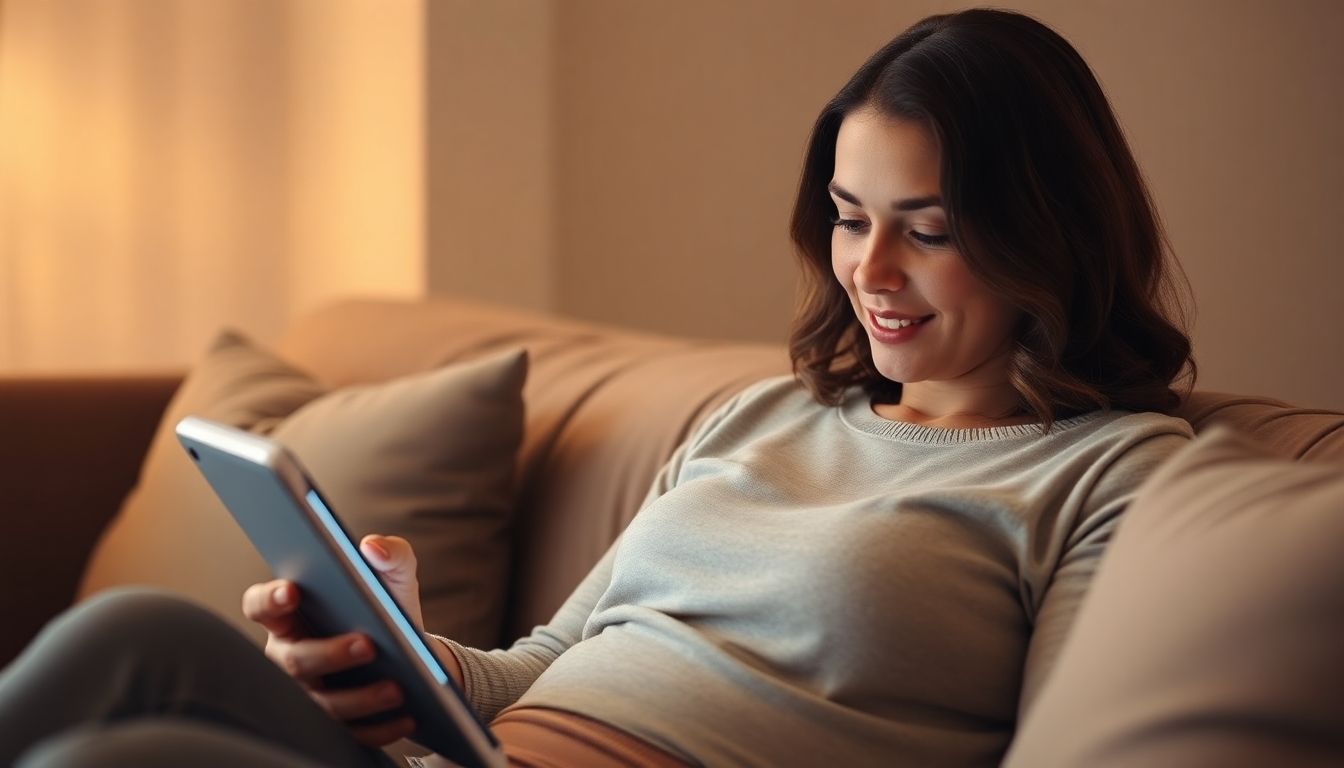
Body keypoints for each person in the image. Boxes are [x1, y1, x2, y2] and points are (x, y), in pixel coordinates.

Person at [0, 8, 1198, 767]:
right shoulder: (768, 413)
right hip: (476, 756)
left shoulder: (1107, 475)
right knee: (131, 633)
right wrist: (409, 656)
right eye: (846, 219)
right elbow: (553, 657)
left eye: (925, 230)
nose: (868, 271)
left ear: (1045, 232)